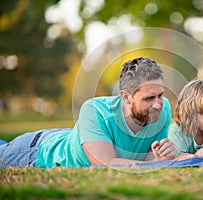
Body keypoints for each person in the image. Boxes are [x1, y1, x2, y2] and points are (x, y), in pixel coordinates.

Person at [0, 57, 176, 168]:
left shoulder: (163, 109)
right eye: (149, 98)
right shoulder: (94, 111)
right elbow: (106, 164)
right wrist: (155, 162)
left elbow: (150, 158)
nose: (158, 104)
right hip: (35, 150)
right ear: (126, 97)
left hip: (76, 137)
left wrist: (162, 154)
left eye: (160, 95)